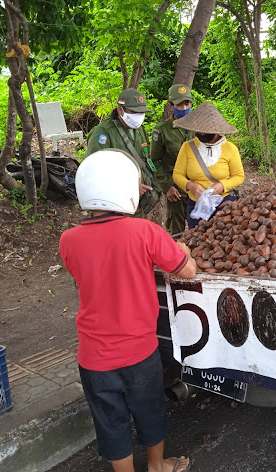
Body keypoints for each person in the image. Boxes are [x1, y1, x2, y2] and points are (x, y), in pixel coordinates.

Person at [59, 149, 196, 472]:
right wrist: (183, 251)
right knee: (149, 410)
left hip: (93, 356)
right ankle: (158, 466)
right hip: (138, 350)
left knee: (111, 421)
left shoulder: (68, 240)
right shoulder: (145, 232)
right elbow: (186, 270)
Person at [86, 88, 160, 218]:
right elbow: (94, 171)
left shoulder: (140, 130)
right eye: (134, 112)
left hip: (138, 202)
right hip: (113, 204)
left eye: (142, 112)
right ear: (121, 110)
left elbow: (144, 159)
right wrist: (129, 187)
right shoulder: (103, 133)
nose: (139, 116)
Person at [172, 101, 245, 228]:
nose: (201, 134)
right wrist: (190, 186)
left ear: (216, 132)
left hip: (223, 203)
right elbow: (177, 174)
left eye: (205, 132)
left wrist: (223, 185)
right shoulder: (187, 147)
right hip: (196, 204)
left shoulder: (230, 148)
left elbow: (239, 176)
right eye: (198, 131)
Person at [151, 84, 195, 235]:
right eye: (179, 104)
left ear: (191, 104)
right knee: (176, 234)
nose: (183, 108)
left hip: (198, 189)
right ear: (171, 106)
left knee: (200, 231)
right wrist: (167, 186)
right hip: (175, 191)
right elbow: (153, 161)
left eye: (187, 103)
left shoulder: (199, 127)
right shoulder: (162, 130)